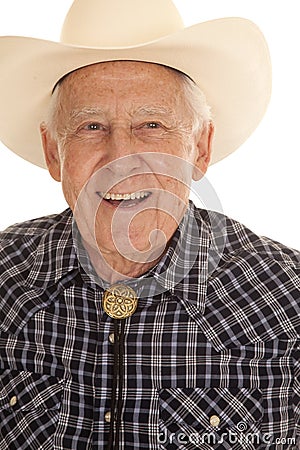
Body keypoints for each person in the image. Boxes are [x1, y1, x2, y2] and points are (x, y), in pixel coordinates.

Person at [0, 1, 299, 449]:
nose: (121, 157)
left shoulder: (287, 295)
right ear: (53, 152)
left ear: (200, 147)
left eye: (152, 125)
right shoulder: (5, 276)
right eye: (91, 126)